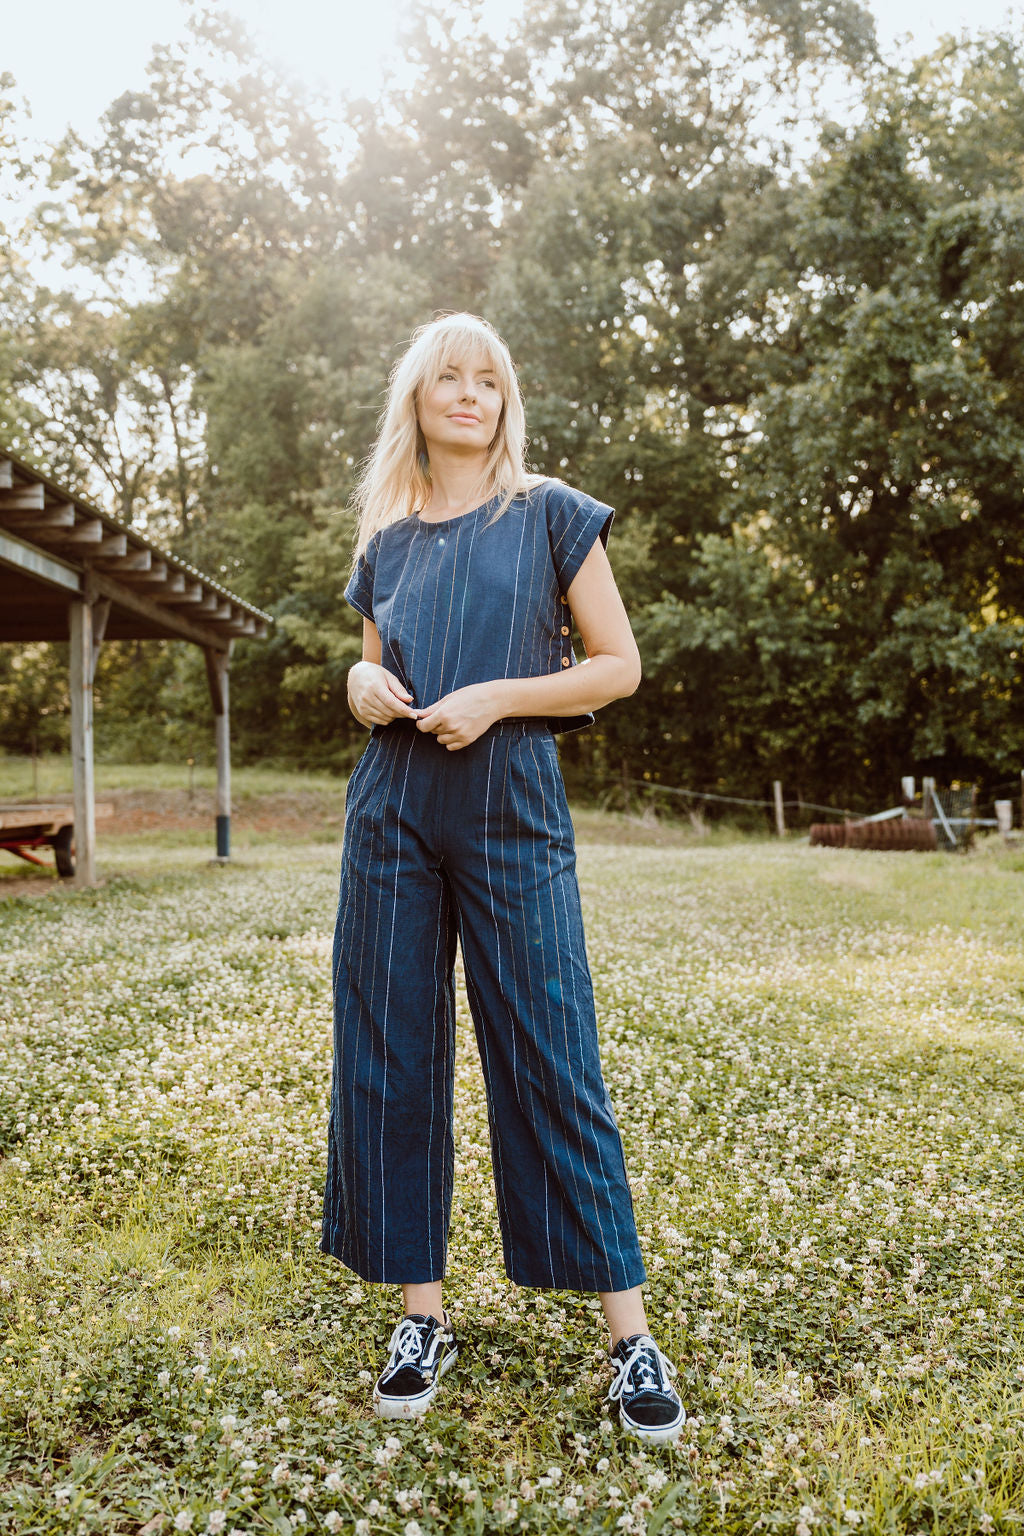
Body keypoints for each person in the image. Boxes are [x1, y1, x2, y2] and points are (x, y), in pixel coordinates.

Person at [320, 312, 684, 1444]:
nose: (469, 394)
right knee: (389, 1056)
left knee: (548, 1047)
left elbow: (616, 668)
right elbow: (375, 671)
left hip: (509, 803)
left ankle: (628, 1335)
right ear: (418, 399)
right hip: (391, 808)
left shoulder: (551, 516)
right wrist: (357, 684)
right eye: (448, 378)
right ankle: (420, 1316)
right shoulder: (386, 541)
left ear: (504, 398)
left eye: (488, 379)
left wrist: (498, 696)